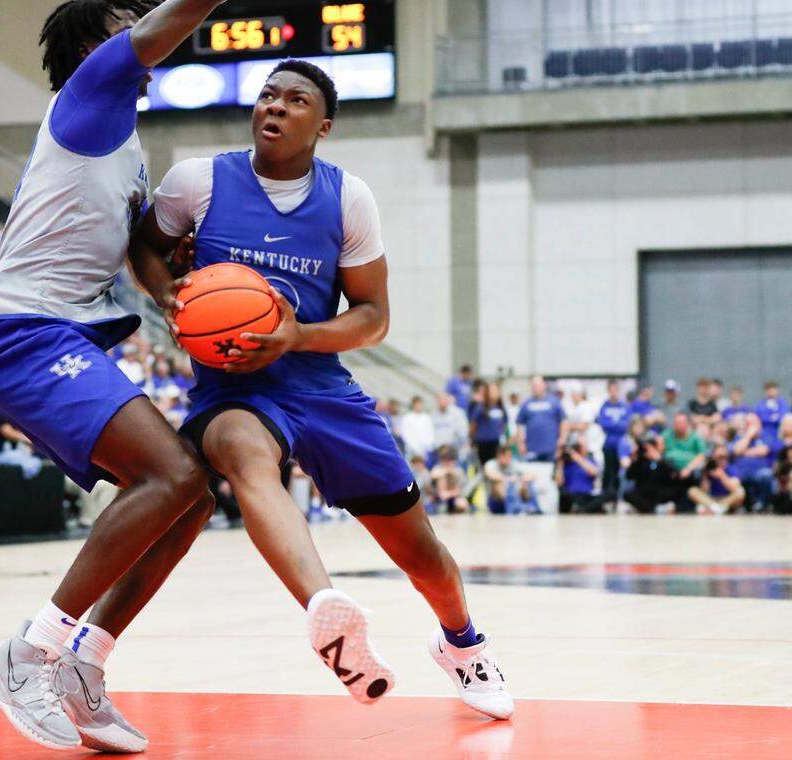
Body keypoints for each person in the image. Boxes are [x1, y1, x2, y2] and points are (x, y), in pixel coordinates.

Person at [130, 59, 513, 723]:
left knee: (420, 553)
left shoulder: (347, 198)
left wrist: (296, 336)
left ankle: (462, 643)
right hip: (234, 390)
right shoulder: (198, 181)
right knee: (246, 456)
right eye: (267, 95)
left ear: (324, 125)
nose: (275, 106)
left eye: (295, 99)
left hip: (322, 388)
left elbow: (373, 317)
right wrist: (167, 293)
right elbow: (144, 248)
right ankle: (326, 614)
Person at [0, 2, 229, 752]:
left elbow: (132, 248)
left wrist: (175, 284)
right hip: (20, 332)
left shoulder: (121, 138)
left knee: (189, 499)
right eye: (124, 22)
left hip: (53, 332)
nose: (141, 27)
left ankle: (85, 664)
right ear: (90, 46)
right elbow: (166, 23)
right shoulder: (90, 89)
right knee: (172, 475)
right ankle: (28, 654)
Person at [515, 375, 566, 462]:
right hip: (531, 448)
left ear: (544, 385)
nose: (535, 387)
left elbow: (563, 421)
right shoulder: (526, 404)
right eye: (533, 385)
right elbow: (520, 424)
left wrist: (562, 439)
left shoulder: (554, 401)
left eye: (537, 385)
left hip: (551, 448)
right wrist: (521, 443)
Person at [596, 380, 630, 502]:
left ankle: (618, 498)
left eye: (615, 389)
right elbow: (603, 424)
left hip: (622, 446)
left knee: (620, 473)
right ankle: (606, 498)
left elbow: (627, 424)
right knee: (608, 472)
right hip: (609, 444)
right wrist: (617, 425)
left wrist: (614, 425)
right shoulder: (604, 406)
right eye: (611, 390)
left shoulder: (624, 406)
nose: (613, 392)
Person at [687, 444, 744, 515]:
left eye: (725, 457)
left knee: (740, 491)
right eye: (719, 457)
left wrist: (722, 476)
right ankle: (716, 508)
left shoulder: (732, 468)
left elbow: (734, 487)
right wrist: (705, 475)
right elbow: (705, 490)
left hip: (726, 499)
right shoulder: (708, 469)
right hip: (711, 499)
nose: (723, 460)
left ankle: (714, 509)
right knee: (692, 491)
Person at [483, 445, 539, 514]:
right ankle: (517, 508)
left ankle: (531, 508)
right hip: (496, 501)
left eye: (510, 456)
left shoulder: (513, 464)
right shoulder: (491, 464)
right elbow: (490, 474)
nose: (509, 458)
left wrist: (521, 479)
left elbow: (532, 476)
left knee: (526, 483)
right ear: (499, 456)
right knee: (498, 483)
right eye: (507, 456)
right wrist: (508, 479)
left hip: (513, 496)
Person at [555, 433, 602, 514]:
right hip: (572, 495)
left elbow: (594, 472)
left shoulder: (590, 460)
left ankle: (581, 509)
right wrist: (560, 461)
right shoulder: (566, 462)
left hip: (587, 495)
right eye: (578, 445)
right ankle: (581, 509)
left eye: (582, 445)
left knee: (606, 495)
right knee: (564, 497)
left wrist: (575, 456)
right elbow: (559, 482)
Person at [469, 380, 507, 465]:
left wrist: (503, 437)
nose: (495, 393)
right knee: (485, 466)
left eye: (496, 391)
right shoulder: (480, 408)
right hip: (483, 443)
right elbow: (473, 424)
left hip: (496, 443)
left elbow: (504, 424)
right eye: (492, 391)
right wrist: (472, 439)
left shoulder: (500, 408)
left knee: (496, 465)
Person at [431, 391, 469, 461]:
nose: (442, 402)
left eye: (444, 399)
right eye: (439, 400)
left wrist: (449, 447)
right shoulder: (433, 415)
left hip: (455, 451)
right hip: (438, 452)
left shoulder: (458, 413)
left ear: (447, 400)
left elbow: (463, 434)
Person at [430, 445, 469, 513]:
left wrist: (449, 494)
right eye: (445, 459)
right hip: (440, 498)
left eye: (449, 459)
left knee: (462, 504)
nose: (447, 462)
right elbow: (433, 475)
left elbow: (461, 489)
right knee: (442, 477)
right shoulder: (437, 469)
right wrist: (446, 472)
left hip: (455, 497)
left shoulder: (458, 471)